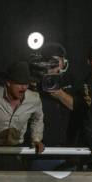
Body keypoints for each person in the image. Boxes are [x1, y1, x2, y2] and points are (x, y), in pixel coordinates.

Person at [0, 61, 44, 159]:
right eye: (19, 83)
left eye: (26, 83)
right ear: (8, 83)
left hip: (15, 151)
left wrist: (36, 139)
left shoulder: (34, 99)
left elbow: (38, 118)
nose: (24, 87)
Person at [30, 43, 75, 171]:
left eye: (57, 61)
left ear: (64, 62)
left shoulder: (71, 81)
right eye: (50, 61)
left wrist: (59, 93)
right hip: (40, 149)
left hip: (67, 149)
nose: (54, 64)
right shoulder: (35, 82)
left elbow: (78, 107)